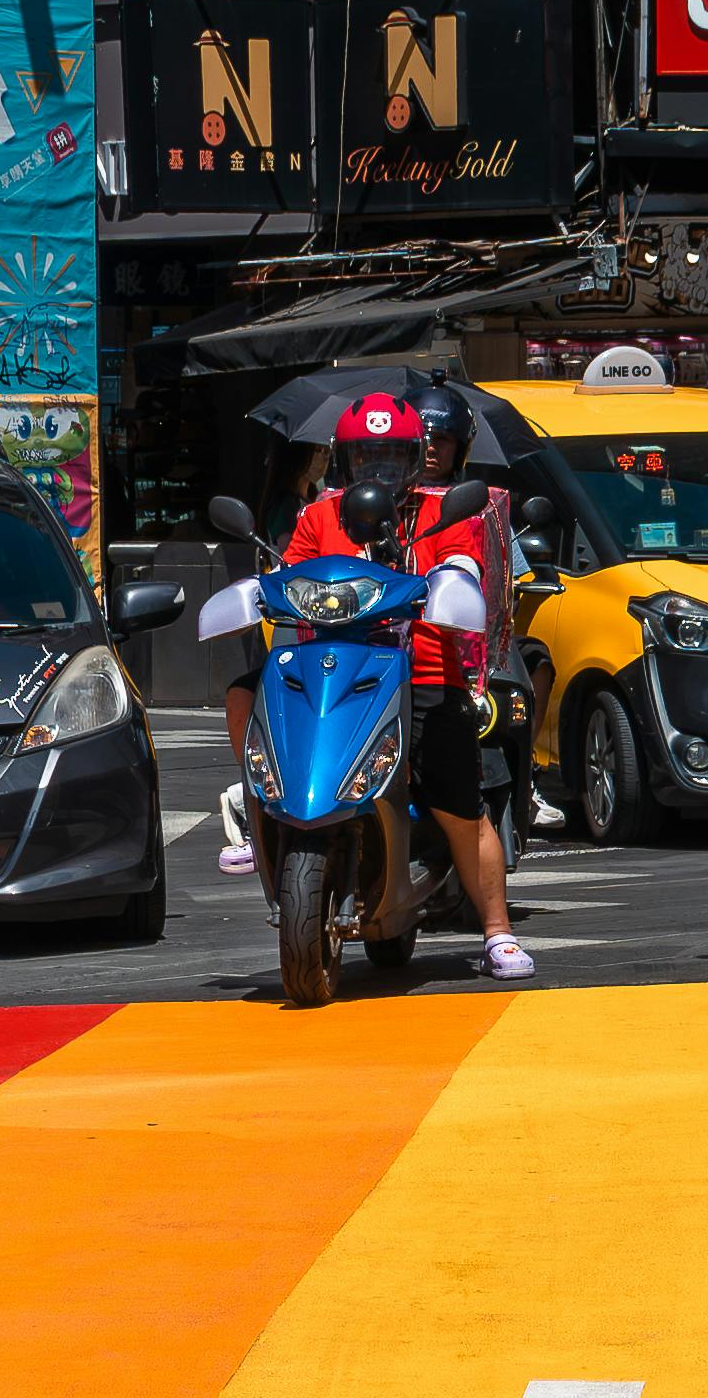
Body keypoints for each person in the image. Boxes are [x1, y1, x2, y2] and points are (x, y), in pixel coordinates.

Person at [222, 395, 535, 981]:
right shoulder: (321, 514)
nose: (379, 472)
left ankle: (497, 932)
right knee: (246, 690)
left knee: (458, 804)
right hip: (330, 662)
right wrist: (266, 586)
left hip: (421, 669)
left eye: (392, 458)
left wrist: (451, 578)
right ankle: (255, 798)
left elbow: (464, 566)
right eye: (367, 458)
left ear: (416, 460)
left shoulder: (442, 511)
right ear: (344, 462)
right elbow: (291, 571)